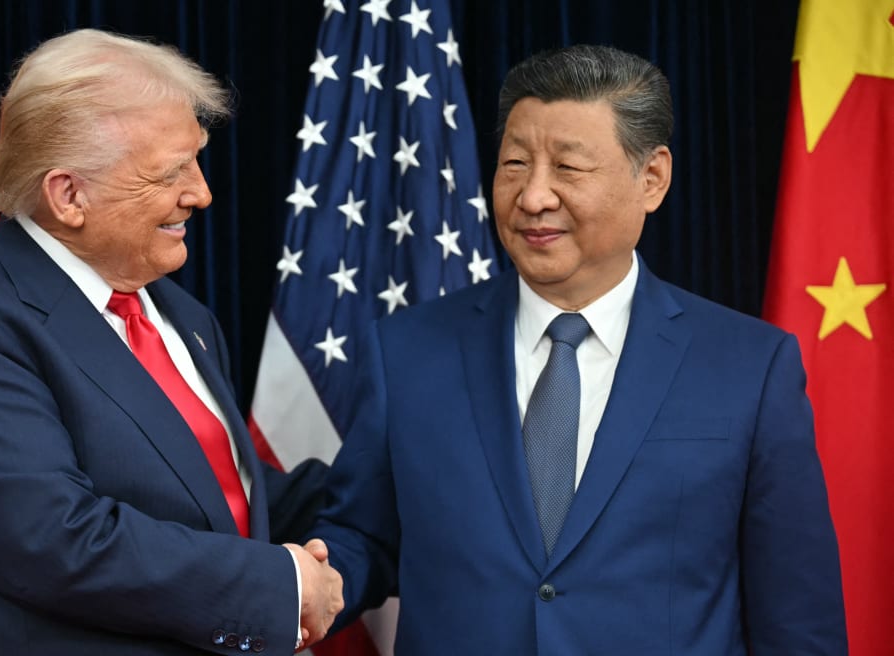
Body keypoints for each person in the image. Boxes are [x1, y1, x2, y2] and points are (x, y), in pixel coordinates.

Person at [311, 45, 847, 654]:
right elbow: (364, 535)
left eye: (567, 168)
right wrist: (320, 579)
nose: (533, 196)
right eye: (515, 163)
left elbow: (798, 619)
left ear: (652, 179)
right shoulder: (407, 351)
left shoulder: (750, 367)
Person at [0, 28, 341, 655]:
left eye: (198, 159)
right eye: (171, 172)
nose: (201, 193)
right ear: (68, 194)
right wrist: (281, 584)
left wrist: (394, 480)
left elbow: (209, 489)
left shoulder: (181, 315)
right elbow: (52, 539)